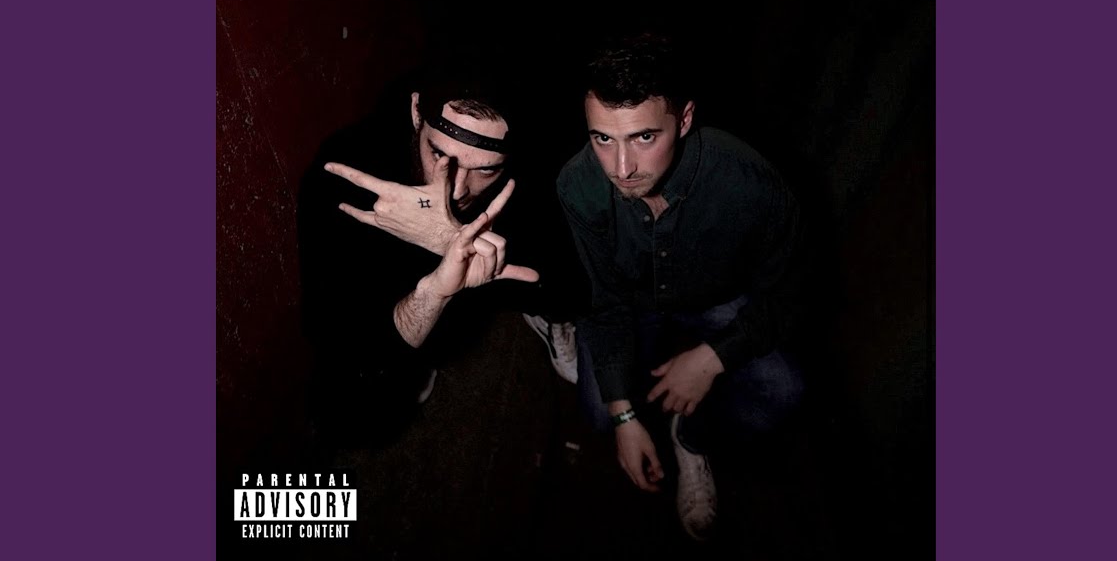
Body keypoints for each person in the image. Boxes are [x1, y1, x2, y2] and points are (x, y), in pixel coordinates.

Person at [556, 34, 805, 540]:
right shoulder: (578, 183)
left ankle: (691, 439)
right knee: (600, 415)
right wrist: (624, 416)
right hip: (633, 303)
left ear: (685, 119)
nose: (621, 168)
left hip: (718, 298)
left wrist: (712, 358)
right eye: (603, 138)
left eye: (644, 137)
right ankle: (557, 328)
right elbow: (603, 302)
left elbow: (793, 290)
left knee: (783, 392)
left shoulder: (749, 181)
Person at [297, 58, 551, 448]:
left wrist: (450, 240)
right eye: (439, 156)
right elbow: (329, 327)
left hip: (474, 296)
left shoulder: (527, 176)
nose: (457, 189)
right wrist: (431, 294)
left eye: (486, 170)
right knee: (347, 412)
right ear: (416, 112)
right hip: (384, 302)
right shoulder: (348, 171)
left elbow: (574, 286)